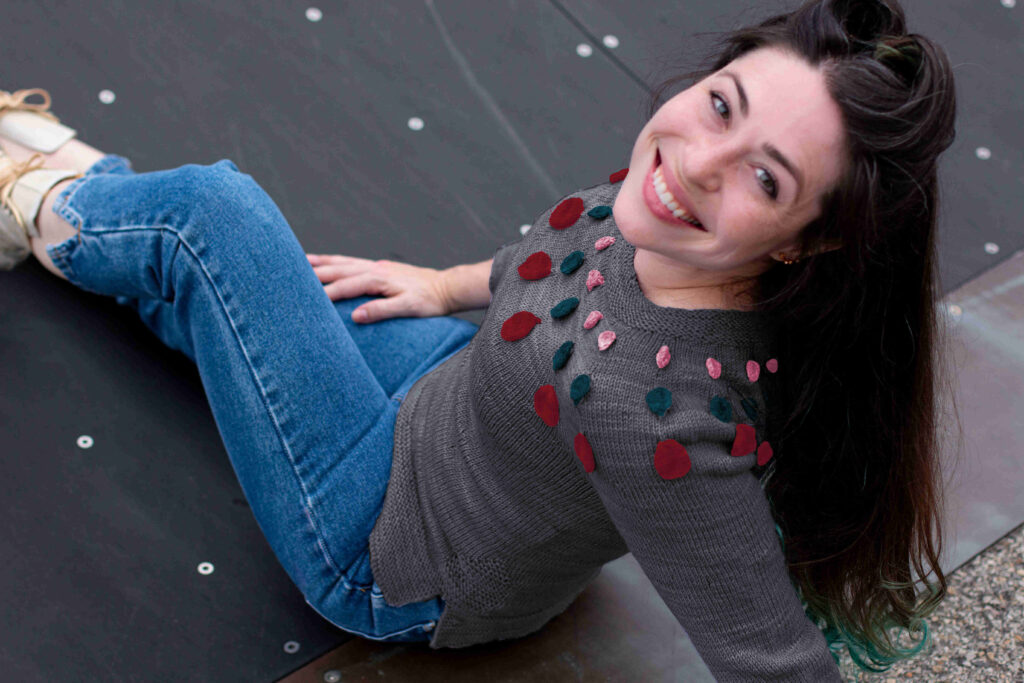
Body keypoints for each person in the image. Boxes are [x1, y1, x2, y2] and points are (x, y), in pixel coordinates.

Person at [0, 0, 959, 678]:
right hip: (450, 396)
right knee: (221, 280)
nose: (697, 164)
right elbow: (545, 264)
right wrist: (440, 284)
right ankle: (80, 206)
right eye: (721, 104)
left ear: (815, 240)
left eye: (767, 180)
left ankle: (39, 196)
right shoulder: (648, 215)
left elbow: (770, 658)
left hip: (383, 549)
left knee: (215, 216)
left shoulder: (657, 418)